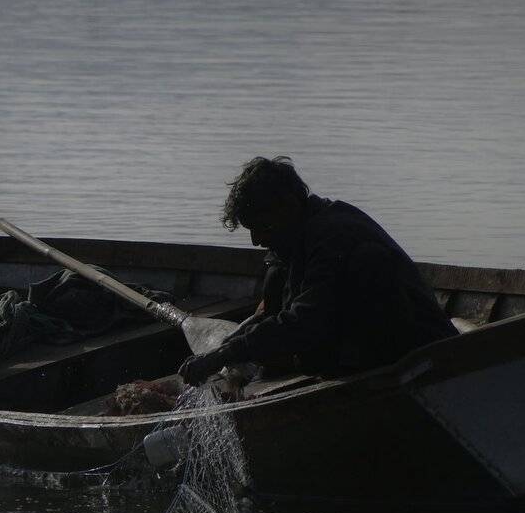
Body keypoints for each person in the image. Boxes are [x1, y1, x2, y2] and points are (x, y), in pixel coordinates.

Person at [179, 156, 457, 386]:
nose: (256, 240)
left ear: (289, 206)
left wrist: (226, 354)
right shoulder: (291, 242)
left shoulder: (333, 236)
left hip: (423, 357)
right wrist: (232, 346)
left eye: (262, 227)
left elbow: (306, 321)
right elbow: (277, 312)